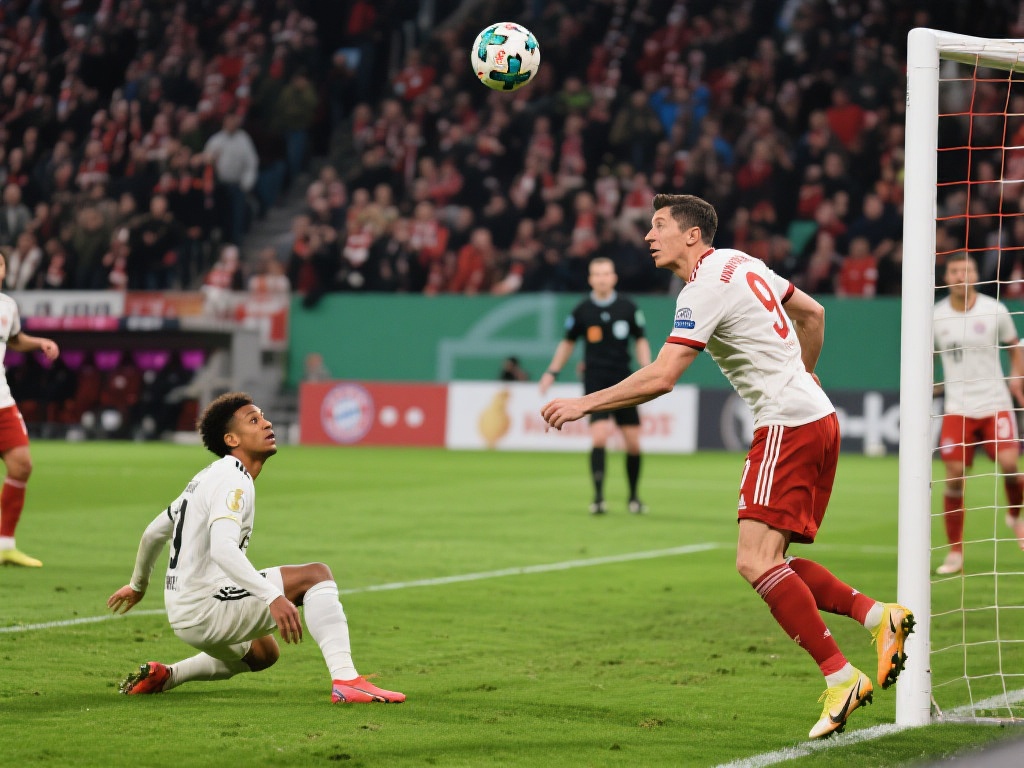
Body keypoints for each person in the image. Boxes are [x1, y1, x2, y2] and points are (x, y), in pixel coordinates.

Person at [541, 194, 914, 739]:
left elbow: (662, 376)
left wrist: (584, 403)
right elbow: (813, 313)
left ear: (691, 235)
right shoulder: (740, 261)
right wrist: (804, 375)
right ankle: (879, 617)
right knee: (772, 559)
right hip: (817, 417)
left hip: (787, 424)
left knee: (754, 561)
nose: (648, 236)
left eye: (659, 226)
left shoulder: (702, 288)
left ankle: (841, 677)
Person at [106, 392, 405, 704]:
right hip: (206, 608)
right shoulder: (233, 480)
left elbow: (153, 533)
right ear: (231, 439)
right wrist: (273, 597)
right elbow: (223, 549)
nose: (266, 423)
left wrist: (137, 586)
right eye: (253, 420)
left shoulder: (208, 476)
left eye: (263, 417)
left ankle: (168, 675)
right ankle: (347, 680)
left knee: (264, 653)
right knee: (315, 576)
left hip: (184, 612)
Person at [932, 252, 1024, 575]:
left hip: (995, 402)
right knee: (955, 474)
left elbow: (1014, 346)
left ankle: (1014, 515)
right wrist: (929, 385)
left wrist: (1016, 378)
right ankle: (955, 552)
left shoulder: (995, 310)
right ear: (946, 277)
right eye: (955, 271)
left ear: (976, 275)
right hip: (957, 408)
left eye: (967, 270)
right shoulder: (936, 317)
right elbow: (927, 357)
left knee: (1010, 466)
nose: (961, 276)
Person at [539, 256, 651, 515]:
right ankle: (599, 498)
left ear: (614, 277)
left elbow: (640, 339)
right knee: (599, 437)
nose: (602, 278)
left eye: (606, 273)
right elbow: (567, 343)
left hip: (625, 382)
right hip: (595, 381)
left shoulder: (628, 307)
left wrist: (647, 368)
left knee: (633, 443)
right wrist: (552, 372)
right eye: (597, 274)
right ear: (590, 279)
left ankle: (634, 497)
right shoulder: (582, 310)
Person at [0, 247, 60, 566]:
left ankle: (5, 545)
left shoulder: (8, 305)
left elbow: (14, 339)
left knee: (21, 465)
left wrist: (39, 343)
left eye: (0, 265)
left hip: (2, 401)